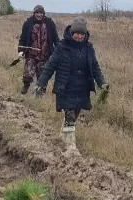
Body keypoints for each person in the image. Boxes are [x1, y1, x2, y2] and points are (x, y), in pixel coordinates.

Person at [33, 16, 109, 149]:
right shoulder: (62, 47)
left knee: (74, 116)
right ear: (72, 33)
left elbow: (95, 67)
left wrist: (102, 83)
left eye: (82, 34)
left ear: (85, 35)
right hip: (66, 87)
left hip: (82, 88)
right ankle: (70, 148)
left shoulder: (88, 48)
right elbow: (50, 66)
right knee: (69, 116)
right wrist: (40, 83)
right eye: (77, 34)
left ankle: (62, 138)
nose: (79, 36)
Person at [18, 5, 60, 96]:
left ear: (43, 13)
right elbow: (23, 38)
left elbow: (56, 38)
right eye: (37, 12)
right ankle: (26, 85)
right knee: (27, 75)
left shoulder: (50, 23)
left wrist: (59, 50)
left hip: (45, 56)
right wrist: (20, 50)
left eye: (41, 13)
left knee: (42, 79)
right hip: (31, 55)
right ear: (34, 13)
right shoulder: (28, 23)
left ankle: (39, 98)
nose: (39, 14)